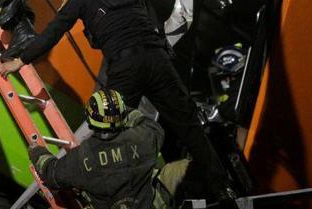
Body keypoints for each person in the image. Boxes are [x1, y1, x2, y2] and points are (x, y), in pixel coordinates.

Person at [0, 0, 237, 208]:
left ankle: (112, 198)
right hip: (158, 60)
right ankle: (223, 191)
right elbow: (148, 22)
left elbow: (55, 31)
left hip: (126, 68)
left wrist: (21, 59)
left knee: (109, 134)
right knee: (190, 128)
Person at [29, 88, 191, 209]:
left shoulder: (81, 158)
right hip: (151, 206)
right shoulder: (143, 138)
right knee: (182, 168)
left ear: (91, 121)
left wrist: (36, 151)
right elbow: (151, 126)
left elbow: (51, 172)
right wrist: (121, 111)